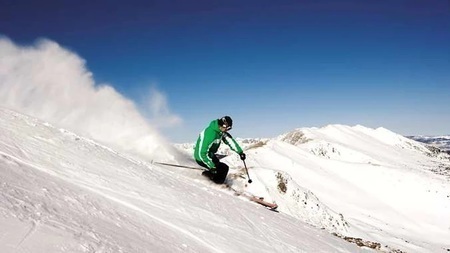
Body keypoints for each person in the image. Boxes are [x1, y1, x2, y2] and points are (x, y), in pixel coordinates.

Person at [194, 116, 246, 184]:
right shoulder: (210, 134)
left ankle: (213, 178)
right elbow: (201, 153)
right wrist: (211, 166)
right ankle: (214, 184)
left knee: (222, 168)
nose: (227, 130)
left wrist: (240, 152)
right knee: (222, 168)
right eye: (228, 128)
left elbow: (229, 140)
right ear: (223, 125)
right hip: (201, 157)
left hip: (210, 155)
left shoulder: (220, 131)